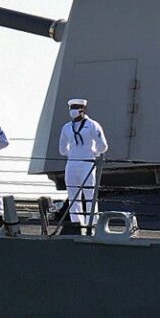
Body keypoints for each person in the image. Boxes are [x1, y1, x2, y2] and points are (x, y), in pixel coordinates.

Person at [57, 97, 108, 229]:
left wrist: (93, 153)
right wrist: (73, 154)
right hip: (72, 163)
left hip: (87, 163)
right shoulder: (66, 127)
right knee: (73, 194)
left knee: (89, 194)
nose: (73, 111)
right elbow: (62, 149)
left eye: (75, 108)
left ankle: (92, 222)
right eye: (71, 108)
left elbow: (102, 145)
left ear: (82, 109)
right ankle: (77, 223)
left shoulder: (92, 125)